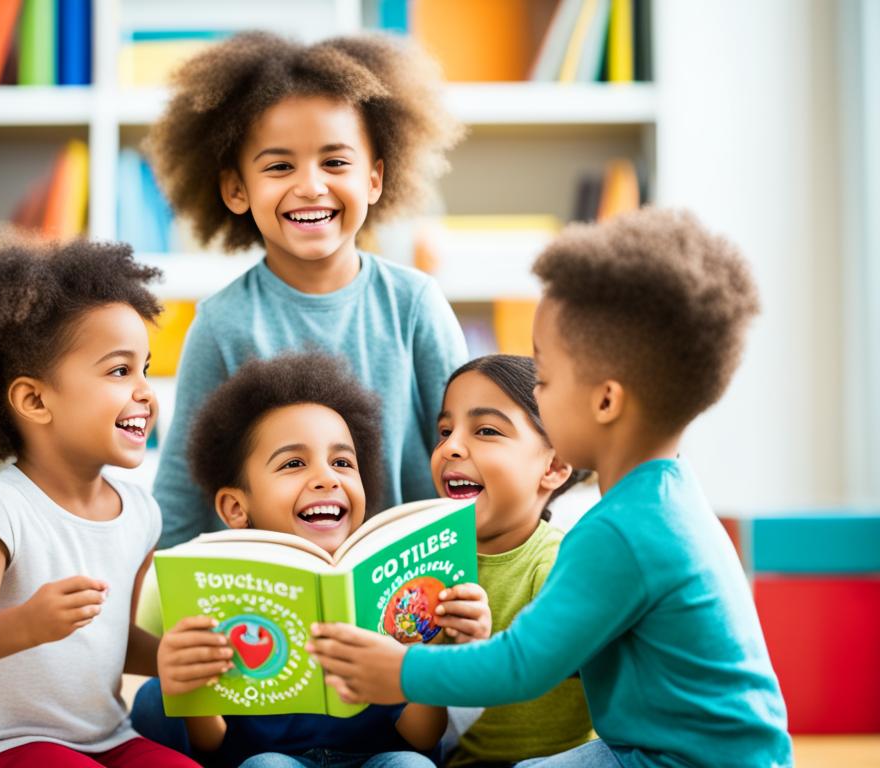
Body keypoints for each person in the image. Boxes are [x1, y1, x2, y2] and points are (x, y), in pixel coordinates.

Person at [309, 209, 794, 768]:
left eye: (543, 380)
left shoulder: (619, 532)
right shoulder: (668, 500)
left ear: (605, 401)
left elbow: (522, 668)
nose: (537, 394)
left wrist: (396, 670)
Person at [145, 31, 468, 549]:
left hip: (410, 594)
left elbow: (465, 456)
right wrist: (153, 623)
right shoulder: (222, 323)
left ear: (375, 179)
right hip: (275, 593)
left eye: (335, 162)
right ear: (236, 189)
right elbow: (182, 499)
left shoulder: (414, 304)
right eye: (279, 166)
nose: (311, 185)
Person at [0, 238, 198, 768]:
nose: (145, 392)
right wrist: (28, 623)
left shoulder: (141, 515)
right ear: (35, 400)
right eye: (118, 371)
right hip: (1, 747)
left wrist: (172, 658)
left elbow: (115, 640)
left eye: (146, 369)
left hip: (108, 738)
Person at [131, 352, 491, 768]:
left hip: (377, 758)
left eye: (342, 462)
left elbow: (421, 737)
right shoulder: (217, 588)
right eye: (294, 463)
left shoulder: (382, 582)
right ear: (234, 507)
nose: (327, 477)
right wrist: (186, 684)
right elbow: (212, 745)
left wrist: (436, 652)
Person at [431, 355, 593, 766]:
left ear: (553, 466)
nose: (450, 447)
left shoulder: (561, 563)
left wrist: (482, 650)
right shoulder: (426, 560)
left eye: (486, 430)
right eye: (445, 431)